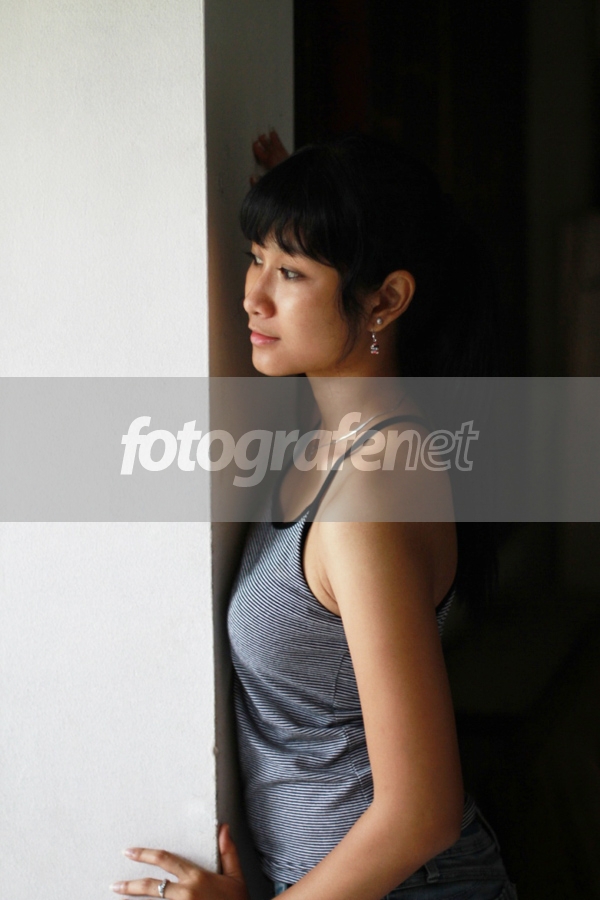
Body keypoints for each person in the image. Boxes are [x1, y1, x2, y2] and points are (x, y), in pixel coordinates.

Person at [110, 135, 517, 900]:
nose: (253, 296)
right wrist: (304, 211)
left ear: (386, 300)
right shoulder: (330, 443)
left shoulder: (372, 490)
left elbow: (421, 813)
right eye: (255, 258)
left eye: (290, 273)